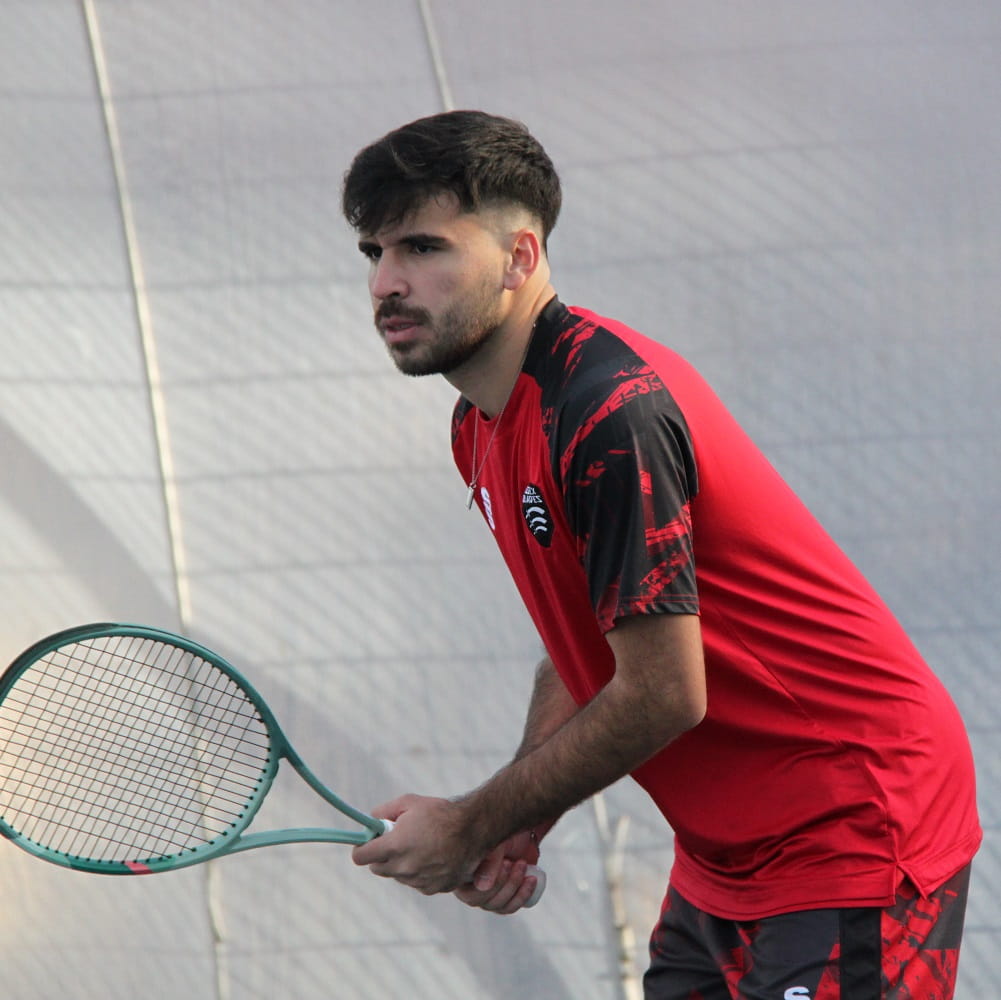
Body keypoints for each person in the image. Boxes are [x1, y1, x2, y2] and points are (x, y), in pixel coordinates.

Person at [341, 110, 981, 999]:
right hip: (727, 856)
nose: (386, 283)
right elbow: (590, 635)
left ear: (520, 259)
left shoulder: (608, 411)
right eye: (372, 252)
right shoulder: (479, 425)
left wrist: (469, 822)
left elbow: (663, 693)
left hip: (852, 820)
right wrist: (520, 818)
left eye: (421, 248)